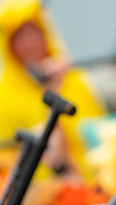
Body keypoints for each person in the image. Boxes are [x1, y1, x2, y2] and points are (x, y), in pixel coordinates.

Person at [0, 0, 106, 180]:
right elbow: (7, 164)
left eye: (35, 33)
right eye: (20, 38)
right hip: (43, 191)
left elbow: (99, 132)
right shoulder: (4, 97)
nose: (30, 44)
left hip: (91, 184)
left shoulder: (73, 78)